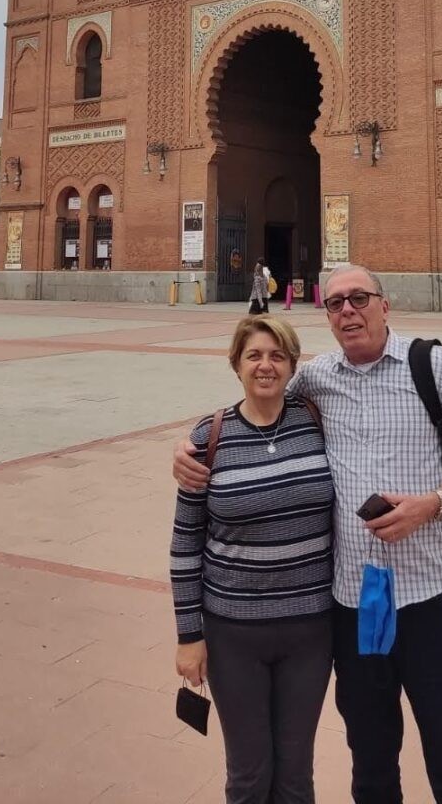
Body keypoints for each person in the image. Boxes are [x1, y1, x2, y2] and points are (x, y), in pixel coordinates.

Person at [175, 264, 442, 804]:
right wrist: (185, 447)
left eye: (359, 299)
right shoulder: (318, 378)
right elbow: (261, 391)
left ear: (385, 304)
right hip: (354, 607)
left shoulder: (433, 365)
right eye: (335, 304)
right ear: (326, 318)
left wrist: (434, 504)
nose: (348, 310)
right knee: (371, 761)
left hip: (429, 599)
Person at [171, 315, 334, 804]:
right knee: (248, 774)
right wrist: (189, 637)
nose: (266, 366)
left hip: (310, 629)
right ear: (235, 365)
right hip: (233, 634)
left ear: (292, 365)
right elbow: (185, 544)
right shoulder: (209, 436)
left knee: (295, 773)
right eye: (254, 356)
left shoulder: (317, 421)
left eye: (277, 355)